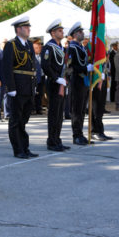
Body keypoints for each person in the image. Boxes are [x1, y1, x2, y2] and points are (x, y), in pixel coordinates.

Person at [2, 16, 39, 159]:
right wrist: (11, 88)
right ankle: (18, 150)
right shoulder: (11, 45)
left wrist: (34, 86)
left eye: (29, 27)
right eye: (26, 27)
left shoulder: (29, 44)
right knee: (15, 120)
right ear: (18, 29)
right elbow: (7, 68)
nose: (29, 29)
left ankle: (25, 147)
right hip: (17, 88)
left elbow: (32, 67)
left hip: (28, 87)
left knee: (24, 120)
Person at [41, 19, 69, 151]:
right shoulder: (49, 47)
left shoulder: (61, 48)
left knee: (59, 114)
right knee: (53, 113)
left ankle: (57, 139)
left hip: (61, 82)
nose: (62, 32)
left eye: (62, 30)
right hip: (53, 83)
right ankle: (51, 141)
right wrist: (56, 78)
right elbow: (45, 65)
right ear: (53, 33)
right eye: (59, 30)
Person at [66, 21, 92, 145]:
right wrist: (85, 68)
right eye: (80, 32)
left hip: (83, 81)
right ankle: (76, 135)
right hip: (76, 81)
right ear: (75, 34)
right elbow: (70, 67)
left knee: (82, 110)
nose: (82, 33)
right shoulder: (72, 48)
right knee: (76, 110)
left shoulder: (81, 47)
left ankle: (80, 133)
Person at [32, 40, 44, 115]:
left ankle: (39, 109)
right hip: (34, 77)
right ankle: (32, 109)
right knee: (33, 94)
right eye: (37, 47)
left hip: (42, 77)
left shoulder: (42, 56)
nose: (39, 49)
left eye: (40, 47)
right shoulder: (31, 56)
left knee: (40, 94)